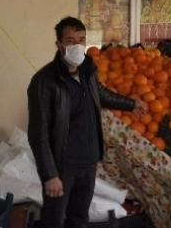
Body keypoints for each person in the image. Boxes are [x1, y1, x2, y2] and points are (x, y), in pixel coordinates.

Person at [27, 16, 148, 228]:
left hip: (88, 162)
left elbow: (101, 94)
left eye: (81, 40)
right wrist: (50, 175)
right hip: (63, 166)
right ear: (59, 45)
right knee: (53, 220)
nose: (77, 45)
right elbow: (38, 133)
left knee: (79, 218)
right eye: (70, 41)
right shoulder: (44, 81)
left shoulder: (87, 71)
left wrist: (131, 104)